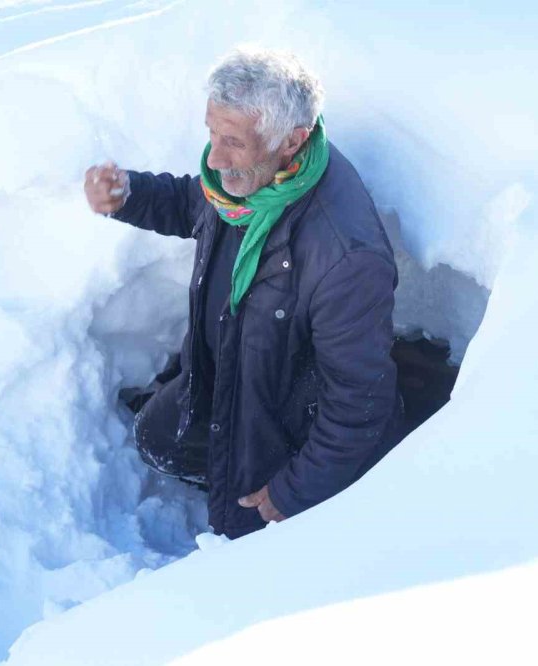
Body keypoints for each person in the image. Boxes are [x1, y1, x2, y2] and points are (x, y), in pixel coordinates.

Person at [84, 46, 404, 539]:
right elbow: (195, 203)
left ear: (292, 141)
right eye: (212, 133)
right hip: (236, 373)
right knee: (155, 437)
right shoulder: (246, 183)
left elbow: (359, 404)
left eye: (231, 141)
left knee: (247, 525)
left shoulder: (345, 258)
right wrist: (132, 195)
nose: (214, 156)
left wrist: (295, 489)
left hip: (286, 422)